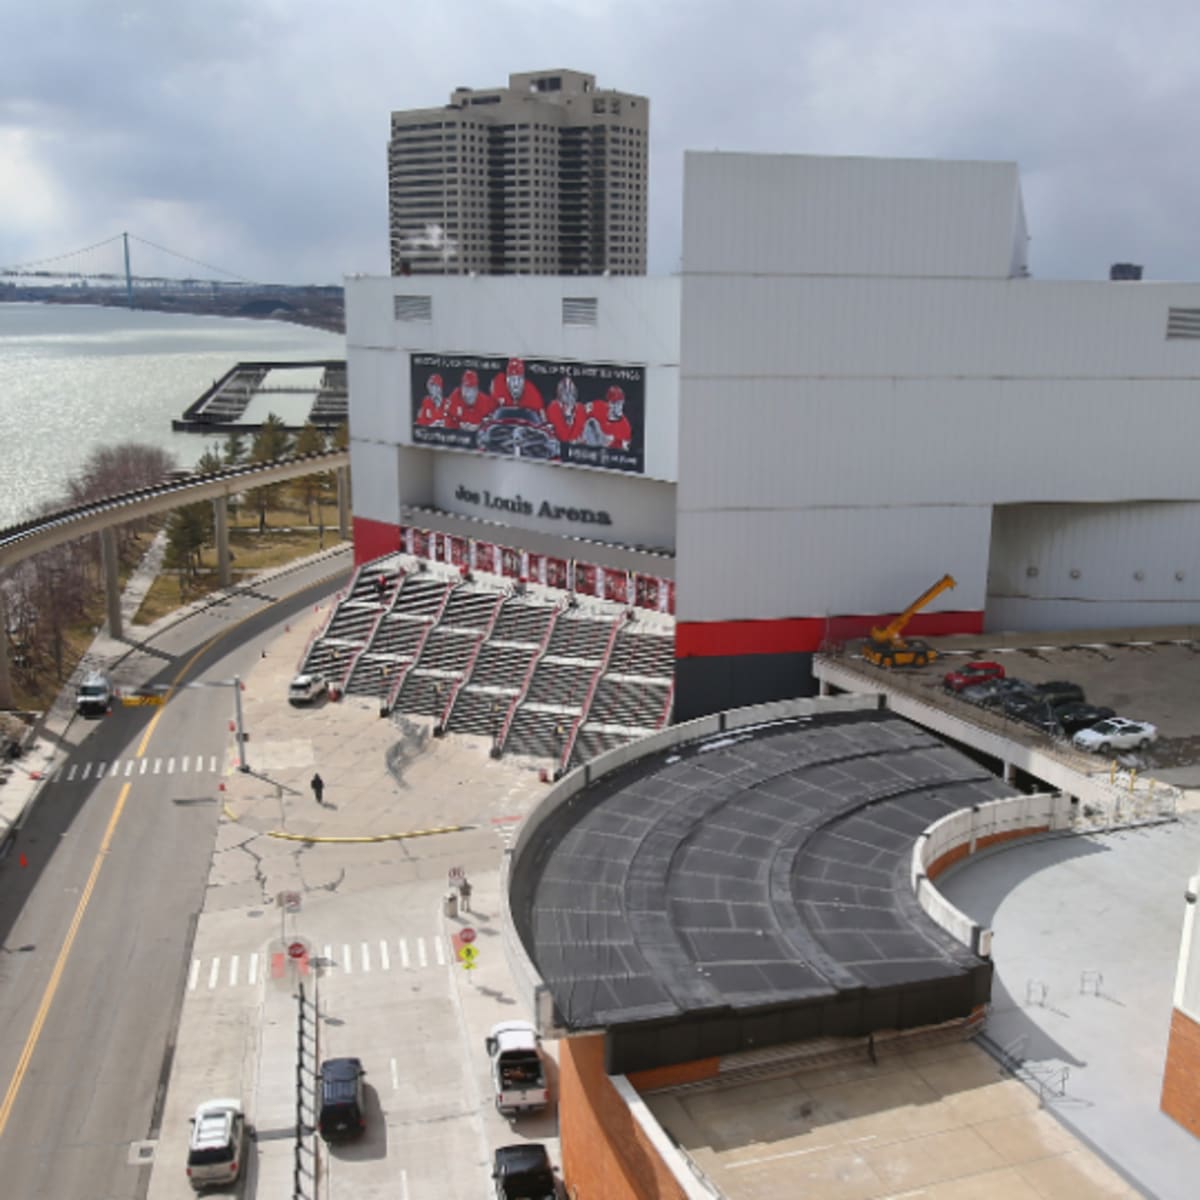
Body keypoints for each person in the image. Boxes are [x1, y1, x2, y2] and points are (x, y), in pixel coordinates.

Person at [583, 385, 633, 451]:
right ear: (609, 403)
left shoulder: (626, 427)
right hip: (582, 448)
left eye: (620, 403)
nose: (618, 406)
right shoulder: (598, 406)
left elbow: (623, 453)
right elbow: (580, 412)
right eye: (615, 403)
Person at [546, 377, 587, 446]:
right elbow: (563, 436)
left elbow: (577, 432)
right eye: (564, 391)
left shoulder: (580, 408)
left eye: (570, 391)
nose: (568, 394)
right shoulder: (553, 407)